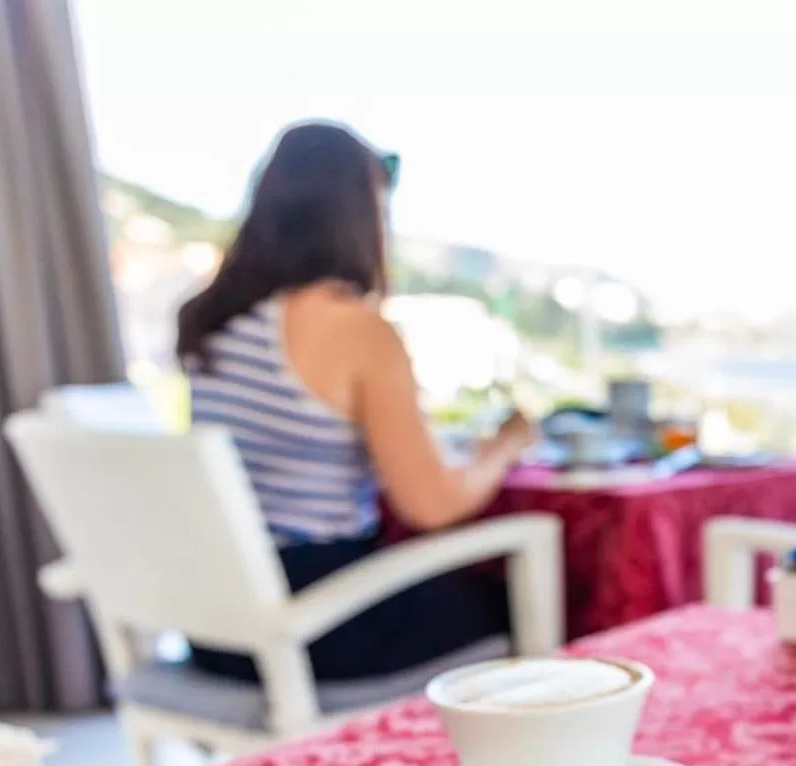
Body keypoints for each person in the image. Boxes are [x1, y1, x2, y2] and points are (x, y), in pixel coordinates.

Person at [175, 120, 533, 682]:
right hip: (311, 623)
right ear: (361, 215)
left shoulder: (211, 321)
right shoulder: (355, 329)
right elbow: (431, 506)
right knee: (534, 588)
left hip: (213, 623)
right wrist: (505, 447)